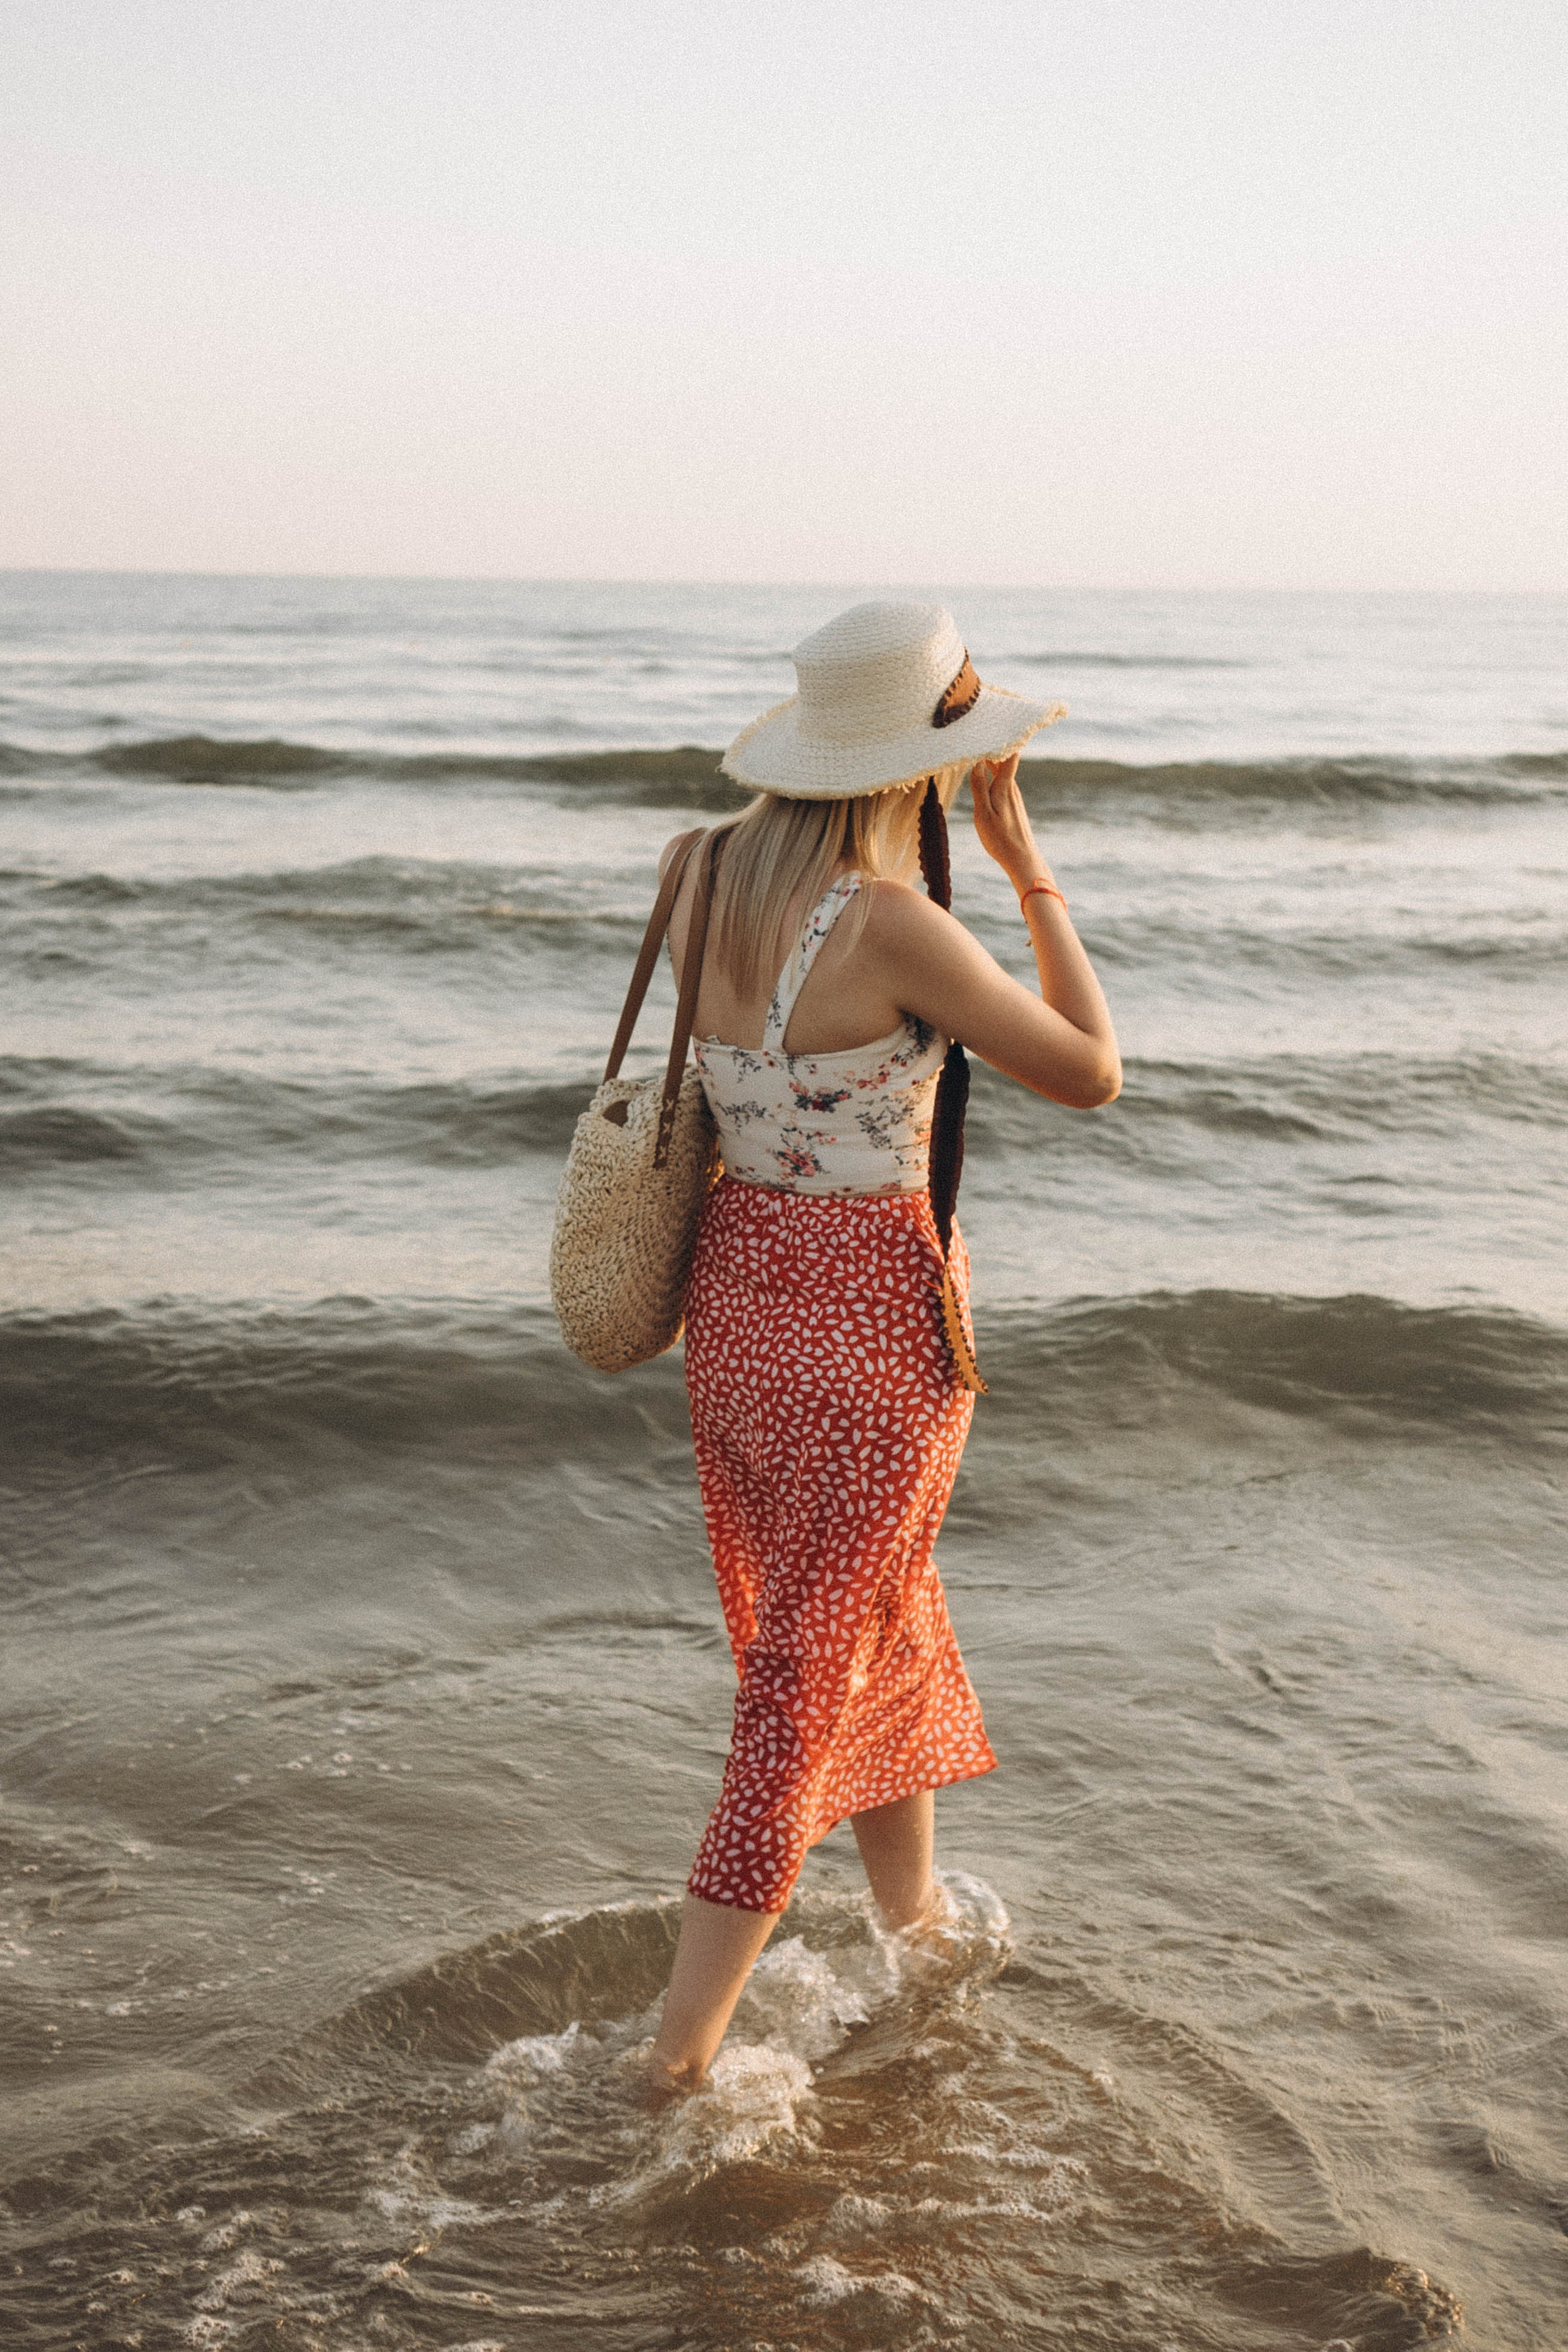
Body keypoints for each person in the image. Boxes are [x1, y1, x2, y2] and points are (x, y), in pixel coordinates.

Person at [646, 601, 1120, 2097]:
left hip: (735, 1305)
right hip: (867, 1327)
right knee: (800, 1681)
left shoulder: (692, 868)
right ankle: (673, 2061)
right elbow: (1089, 1072)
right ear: (919, 762)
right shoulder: (892, 924)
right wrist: (1026, 869)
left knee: (878, 1612)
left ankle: (912, 1930)